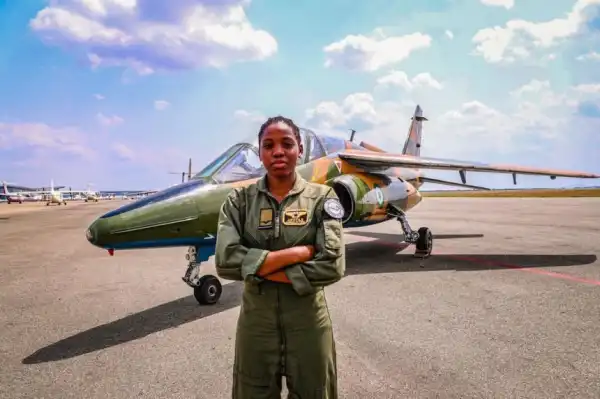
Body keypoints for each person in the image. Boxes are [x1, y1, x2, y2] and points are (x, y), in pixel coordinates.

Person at [214, 115, 346, 398]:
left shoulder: (323, 198)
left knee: (316, 392)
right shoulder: (239, 201)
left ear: (299, 149)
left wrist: (256, 267)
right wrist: (296, 253)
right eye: (268, 145)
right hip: (256, 324)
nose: (278, 151)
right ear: (260, 152)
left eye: (287, 144)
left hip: (308, 322)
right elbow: (225, 260)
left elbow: (332, 265)